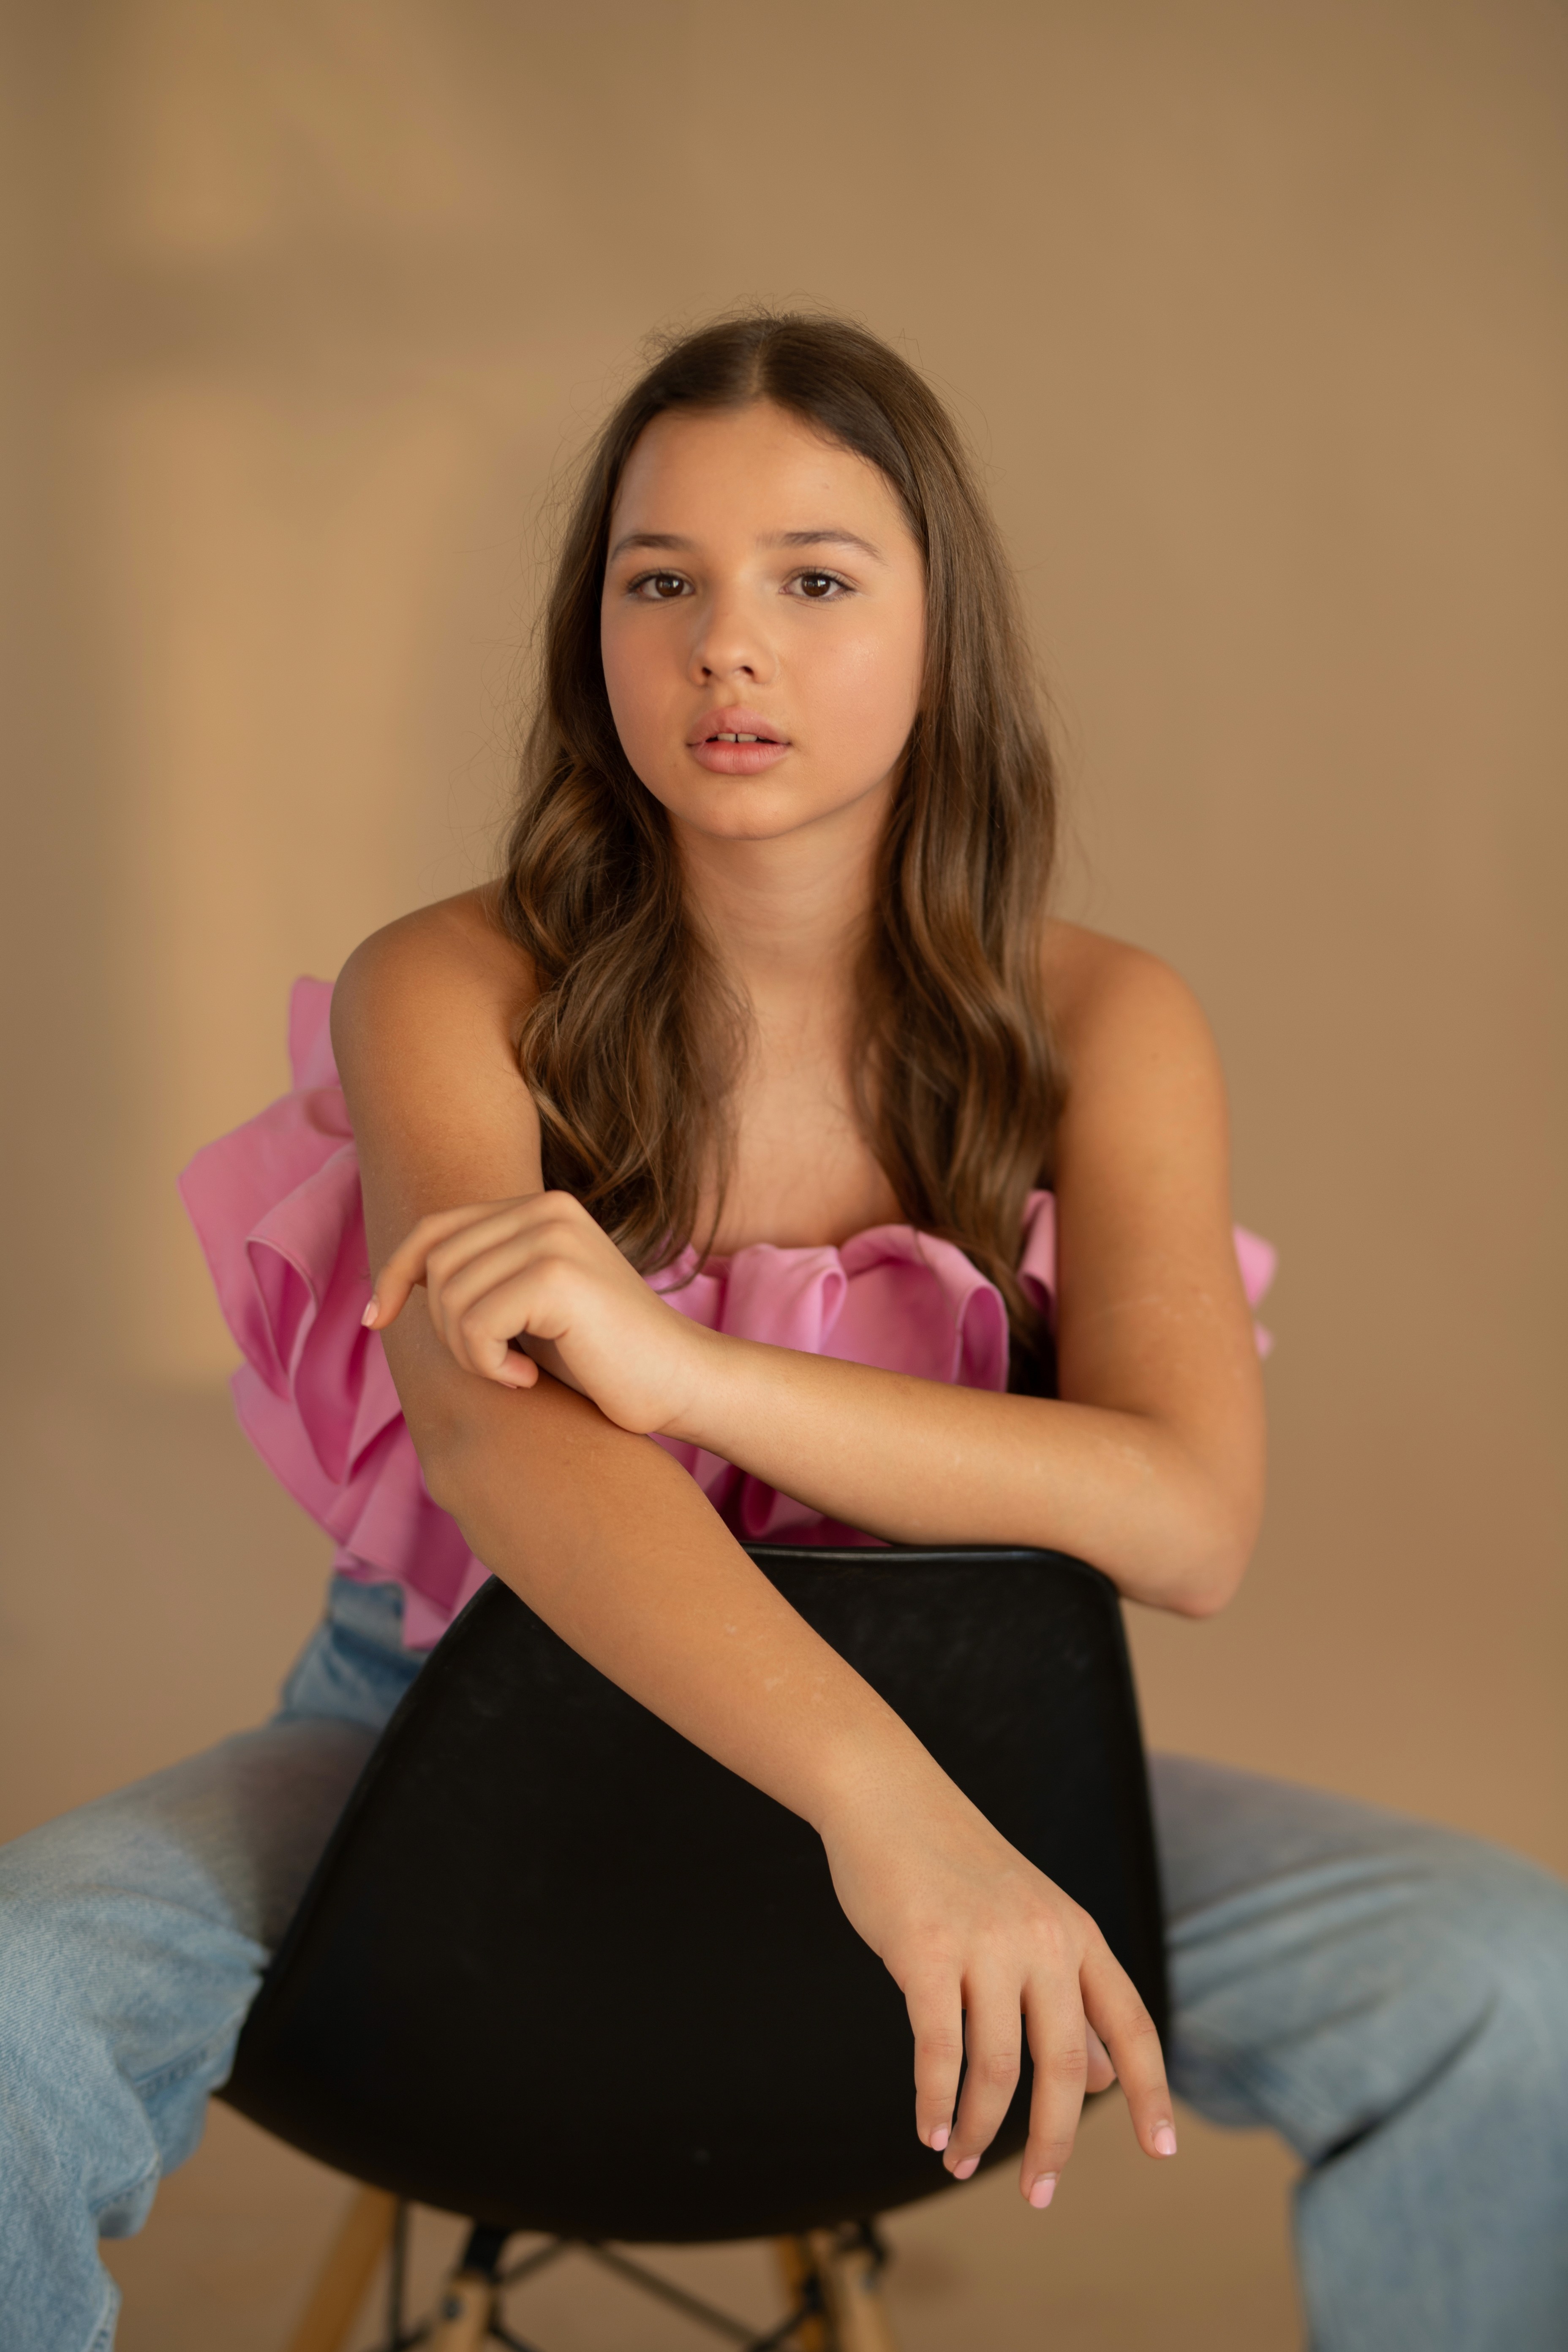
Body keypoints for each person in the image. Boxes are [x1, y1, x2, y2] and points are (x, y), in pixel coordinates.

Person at [0, 314, 1563, 2352]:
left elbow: (1184, 1520)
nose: (726, 647)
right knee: (21, 1997)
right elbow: (502, 1455)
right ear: (598, 640)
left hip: (983, 1762)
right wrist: (883, 1809)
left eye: (814, 582)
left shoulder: (1104, 1019)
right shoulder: (445, 989)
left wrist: (688, 1376)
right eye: (663, 584)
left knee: (1500, 1978)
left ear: (939, 639)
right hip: (449, 1752)